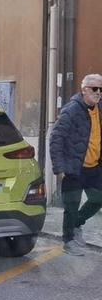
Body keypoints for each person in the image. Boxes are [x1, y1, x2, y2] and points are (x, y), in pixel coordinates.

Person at [49, 73, 102, 256]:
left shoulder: (100, 109)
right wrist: (59, 168)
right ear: (84, 90)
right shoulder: (71, 110)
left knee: (98, 199)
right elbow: (56, 138)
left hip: (94, 167)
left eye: (101, 89)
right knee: (71, 205)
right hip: (74, 167)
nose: (98, 93)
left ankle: (77, 224)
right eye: (95, 89)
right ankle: (68, 240)